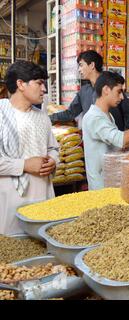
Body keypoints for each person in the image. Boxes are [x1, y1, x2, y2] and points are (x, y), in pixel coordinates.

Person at [0, 61, 59, 235]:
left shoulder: (42, 117)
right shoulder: (1, 114)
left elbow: (53, 148)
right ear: (20, 84)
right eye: (39, 83)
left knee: (42, 245)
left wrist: (53, 161)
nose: (44, 89)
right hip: (10, 198)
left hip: (43, 194)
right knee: (11, 252)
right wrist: (24, 165)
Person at [82, 71, 129, 190]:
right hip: (101, 186)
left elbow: (116, 144)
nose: (121, 97)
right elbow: (121, 140)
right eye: (119, 91)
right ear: (106, 89)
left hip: (110, 180)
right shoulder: (94, 118)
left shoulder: (107, 115)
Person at [50, 50, 129, 130]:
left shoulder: (111, 85)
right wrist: (50, 118)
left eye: (81, 65)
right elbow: (70, 113)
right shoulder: (84, 91)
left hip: (115, 140)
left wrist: (126, 135)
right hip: (93, 141)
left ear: (92, 65)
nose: (79, 70)